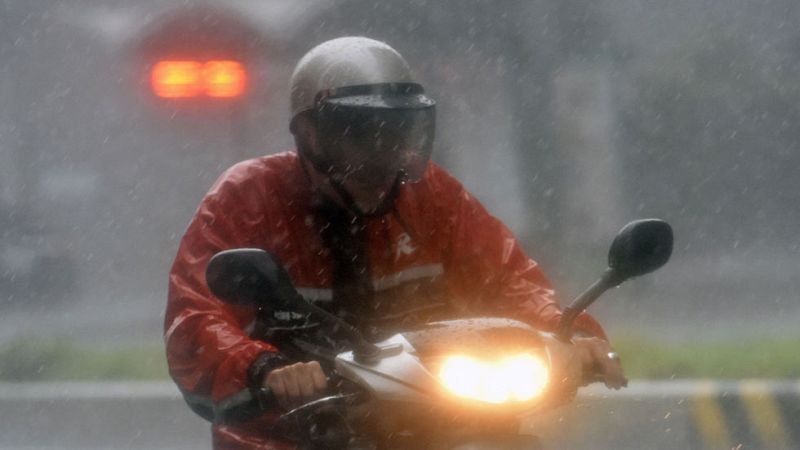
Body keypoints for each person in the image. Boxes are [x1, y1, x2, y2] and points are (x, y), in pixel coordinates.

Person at [165, 36, 626, 450]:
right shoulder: (247, 198)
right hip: (291, 433)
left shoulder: (433, 198)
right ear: (310, 135)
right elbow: (196, 316)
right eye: (360, 136)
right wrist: (261, 368)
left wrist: (574, 335)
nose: (381, 157)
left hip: (435, 419)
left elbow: (509, 278)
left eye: (396, 135)